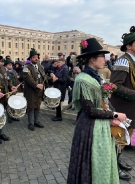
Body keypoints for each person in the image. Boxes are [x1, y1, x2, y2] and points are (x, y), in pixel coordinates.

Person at [67, 38, 126, 184]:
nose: (105, 60)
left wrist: (112, 115)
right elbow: (89, 110)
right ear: (92, 59)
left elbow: (103, 101)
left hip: (102, 126)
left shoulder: (97, 77)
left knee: (104, 160)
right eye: (102, 57)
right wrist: (114, 114)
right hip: (90, 128)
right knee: (91, 161)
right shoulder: (83, 80)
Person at [110, 26, 135, 181]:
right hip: (122, 109)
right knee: (118, 141)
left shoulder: (132, 61)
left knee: (124, 140)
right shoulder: (123, 61)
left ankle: (118, 163)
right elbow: (115, 86)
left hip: (130, 108)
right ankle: (114, 168)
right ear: (129, 46)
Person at [23, 48, 46, 131]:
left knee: (37, 106)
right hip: (30, 91)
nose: (36, 58)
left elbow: (44, 76)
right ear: (30, 59)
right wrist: (36, 85)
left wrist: (52, 77)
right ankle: (31, 123)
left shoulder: (40, 66)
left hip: (39, 91)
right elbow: (27, 78)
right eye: (34, 57)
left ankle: (36, 121)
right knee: (30, 107)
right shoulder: (26, 67)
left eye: (37, 57)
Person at [4, 58, 22, 122]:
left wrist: (21, 84)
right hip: (9, 90)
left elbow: (17, 80)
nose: (11, 66)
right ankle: (9, 117)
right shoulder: (5, 72)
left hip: (15, 90)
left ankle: (13, 116)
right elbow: (7, 82)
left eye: (11, 64)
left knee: (14, 103)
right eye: (9, 64)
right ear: (6, 65)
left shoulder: (13, 71)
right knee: (9, 104)